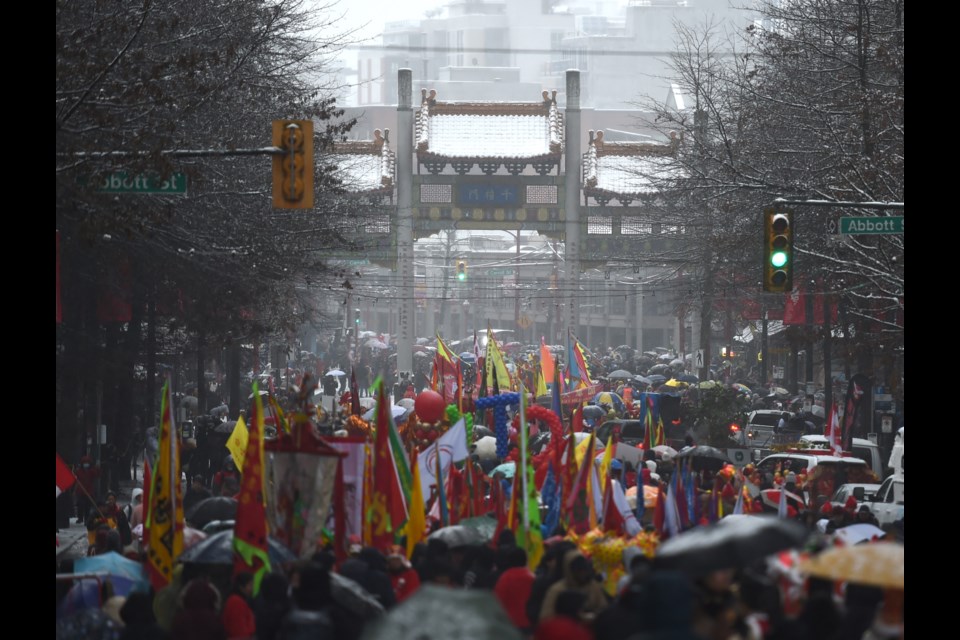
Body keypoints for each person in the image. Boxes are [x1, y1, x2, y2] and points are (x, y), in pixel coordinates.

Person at [538, 550, 609, 622]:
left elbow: (604, 608)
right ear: (570, 571)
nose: (582, 574)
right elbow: (546, 619)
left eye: (584, 570)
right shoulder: (557, 590)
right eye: (578, 571)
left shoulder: (593, 586)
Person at [493, 546, 535, 633]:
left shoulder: (505, 578)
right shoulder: (532, 577)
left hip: (510, 623)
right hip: (529, 623)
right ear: (525, 560)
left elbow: (497, 601)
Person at [222, 572, 256, 640]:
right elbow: (239, 630)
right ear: (241, 586)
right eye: (250, 585)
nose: (252, 588)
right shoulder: (236, 602)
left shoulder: (239, 600)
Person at [74, 455, 101, 524]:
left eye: (87, 463)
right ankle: (80, 518)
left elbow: (97, 475)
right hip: (80, 490)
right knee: (80, 505)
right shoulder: (79, 471)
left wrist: (97, 469)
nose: (86, 465)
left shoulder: (92, 471)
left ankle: (86, 518)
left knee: (87, 506)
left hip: (89, 491)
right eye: (84, 463)